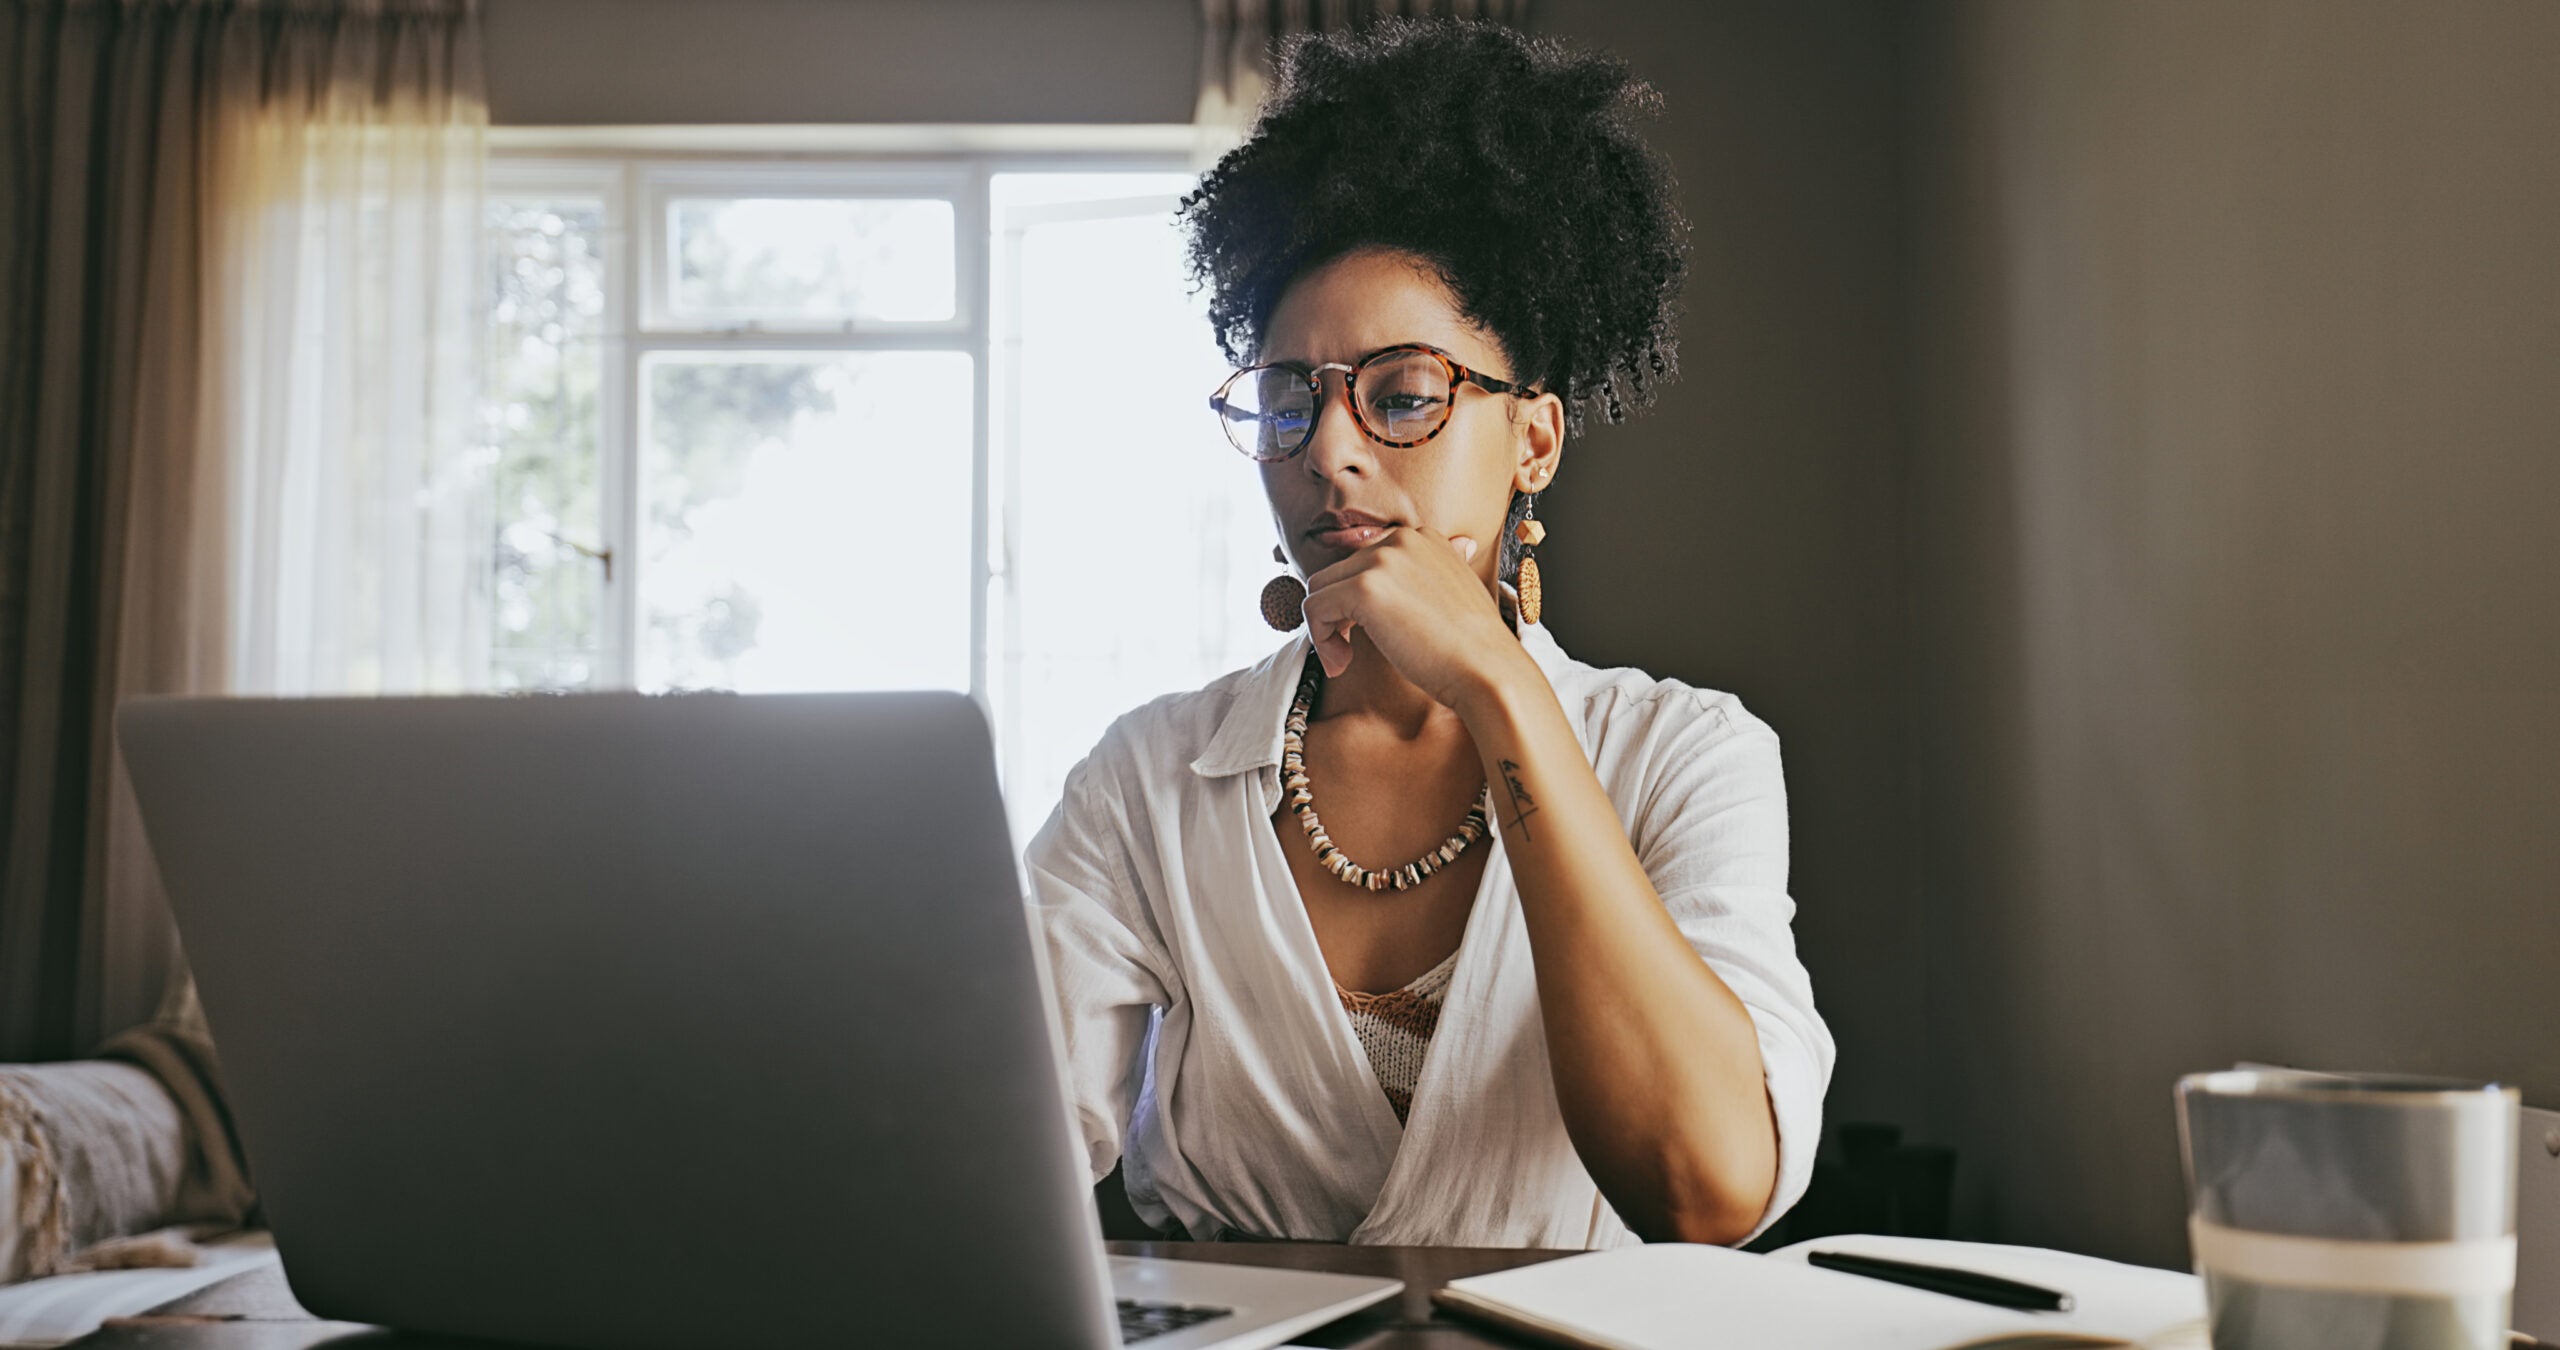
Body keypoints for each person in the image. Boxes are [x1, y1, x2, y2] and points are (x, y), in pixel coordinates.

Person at [1024, 19, 1832, 1250]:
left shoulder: (1687, 755)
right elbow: (985, 1152)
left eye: (1403, 396)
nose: (1329, 453)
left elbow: (1704, 1187)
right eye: (1290, 403)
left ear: (1535, 443)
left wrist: (1500, 687)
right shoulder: (1147, 781)